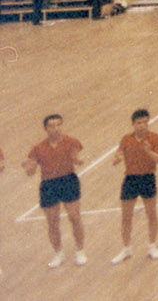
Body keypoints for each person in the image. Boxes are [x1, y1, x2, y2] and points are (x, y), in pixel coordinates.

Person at [25, 114, 87, 268]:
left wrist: (77, 160)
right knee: (52, 221)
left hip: (68, 180)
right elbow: (30, 171)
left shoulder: (72, 142)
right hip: (49, 185)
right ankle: (58, 253)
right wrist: (28, 167)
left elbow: (77, 158)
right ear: (46, 129)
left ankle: (80, 251)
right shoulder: (38, 148)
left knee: (74, 217)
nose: (56, 128)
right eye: (52, 126)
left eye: (59, 125)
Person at [111, 107, 158, 263]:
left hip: (148, 178)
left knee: (151, 214)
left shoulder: (155, 138)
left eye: (145, 122)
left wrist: (149, 152)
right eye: (139, 123)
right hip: (130, 180)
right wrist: (117, 158)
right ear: (133, 124)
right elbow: (118, 156)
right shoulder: (126, 139)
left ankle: (152, 246)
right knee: (126, 216)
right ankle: (126, 249)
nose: (142, 125)